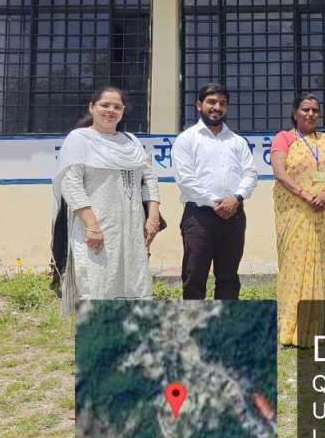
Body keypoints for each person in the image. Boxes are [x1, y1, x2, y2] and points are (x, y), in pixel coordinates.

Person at [52, 86, 162, 314]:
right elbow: (71, 184)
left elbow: (149, 179)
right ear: (92, 107)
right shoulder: (79, 139)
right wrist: (92, 226)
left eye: (117, 107)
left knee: (133, 282)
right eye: (105, 105)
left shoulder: (131, 142)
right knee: (97, 282)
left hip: (132, 228)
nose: (111, 110)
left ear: (123, 111)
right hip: (96, 228)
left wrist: (153, 218)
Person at [172, 83, 257, 300]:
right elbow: (186, 180)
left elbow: (250, 174)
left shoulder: (237, 141)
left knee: (229, 278)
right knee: (194, 277)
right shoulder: (187, 139)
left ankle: (225, 321)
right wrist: (217, 204)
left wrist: (236, 199)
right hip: (199, 218)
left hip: (234, 216)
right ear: (198, 105)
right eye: (211, 102)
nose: (217, 107)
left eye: (222, 103)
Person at [271, 94, 325, 347]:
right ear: (295, 113)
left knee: (318, 264)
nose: (310, 114)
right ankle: (289, 326)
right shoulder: (284, 138)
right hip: (295, 210)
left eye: (315, 110)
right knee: (293, 265)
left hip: (323, 208)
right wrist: (305, 194)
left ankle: (313, 326)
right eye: (305, 109)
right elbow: (280, 173)